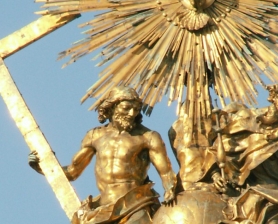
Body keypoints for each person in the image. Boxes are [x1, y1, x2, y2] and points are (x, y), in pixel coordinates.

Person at [29, 86, 176, 224]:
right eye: (126, 108)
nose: (132, 113)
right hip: (102, 210)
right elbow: (73, 171)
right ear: (112, 107)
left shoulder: (148, 137)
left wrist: (170, 190)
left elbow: (166, 172)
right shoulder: (95, 136)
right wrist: (44, 168)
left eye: (136, 109)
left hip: (135, 204)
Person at [217, 82, 278, 224]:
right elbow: (224, 151)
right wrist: (216, 175)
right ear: (277, 97)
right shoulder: (250, 121)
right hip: (257, 191)